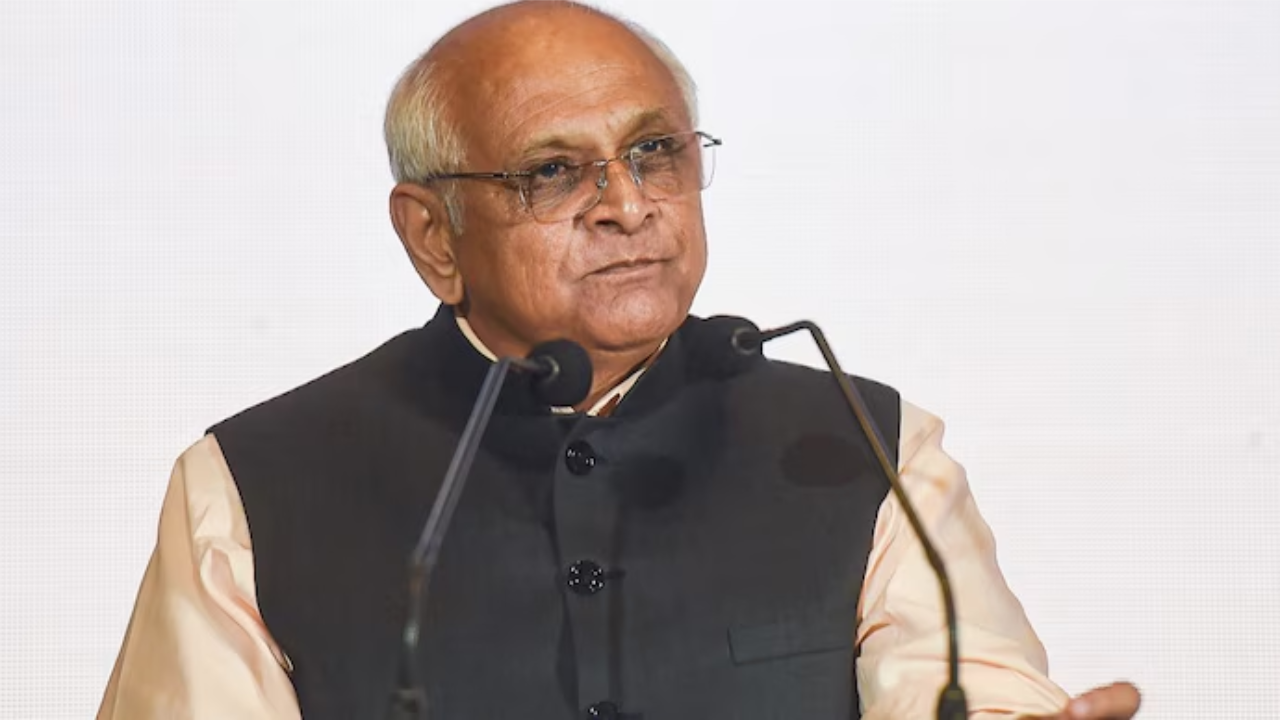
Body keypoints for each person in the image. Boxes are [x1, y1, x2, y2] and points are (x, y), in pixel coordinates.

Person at [98, 2, 1141, 718]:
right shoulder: (253, 485)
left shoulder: (864, 446)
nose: (629, 206)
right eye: (555, 172)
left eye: (654, 153)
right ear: (432, 236)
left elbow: (966, 695)